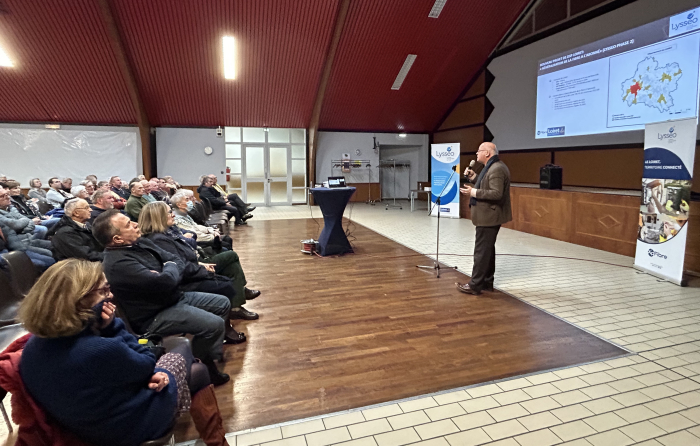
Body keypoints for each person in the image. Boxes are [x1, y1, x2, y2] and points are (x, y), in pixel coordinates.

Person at [16, 259, 232, 446]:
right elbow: (146, 361)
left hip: (86, 419)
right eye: (104, 291)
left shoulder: (32, 347)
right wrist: (113, 327)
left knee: (189, 364)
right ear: (80, 301)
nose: (110, 296)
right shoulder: (98, 349)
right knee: (187, 354)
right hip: (124, 428)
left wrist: (144, 374)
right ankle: (218, 442)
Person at [93, 210, 237, 384]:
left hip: (172, 297)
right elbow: (166, 280)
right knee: (213, 325)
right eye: (128, 224)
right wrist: (168, 270)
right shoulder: (119, 263)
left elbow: (174, 260)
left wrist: (166, 269)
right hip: (154, 314)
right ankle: (201, 365)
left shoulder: (140, 243)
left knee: (222, 303)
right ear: (117, 239)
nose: (136, 224)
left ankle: (206, 352)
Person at [139, 201, 260, 320]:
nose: (173, 214)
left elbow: (189, 239)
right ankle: (238, 299)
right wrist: (202, 267)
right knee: (230, 259)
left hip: (195, 263)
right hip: (187, 278)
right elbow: (180, 264)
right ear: (158, 217)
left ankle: (236, 307)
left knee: (231, 266)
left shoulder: (168, 231)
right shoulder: (160, 239)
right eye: (170, 212)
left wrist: (198, 261)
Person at [457, 142, 511, 295]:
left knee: (481, 251)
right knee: (487, 250)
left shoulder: (497, 168)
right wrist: (474, 178)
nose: (476, 154)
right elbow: (486, 184)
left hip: (489, 216)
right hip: (487, 215)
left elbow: (496, 193)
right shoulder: (491, 167)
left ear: (487, 153)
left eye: (479, 151)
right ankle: (487, 282)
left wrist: (473, 193)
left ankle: (475, 285)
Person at [0, 188, 55, 269]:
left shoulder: (11, 208)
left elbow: (27, 224)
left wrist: (23, 225)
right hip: (18, 247)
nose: (8, 197)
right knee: (49, 260)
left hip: (28, 240)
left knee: (56, 246)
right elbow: (17, 225)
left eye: (7, 194)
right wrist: (24, 223)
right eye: (2, 196)